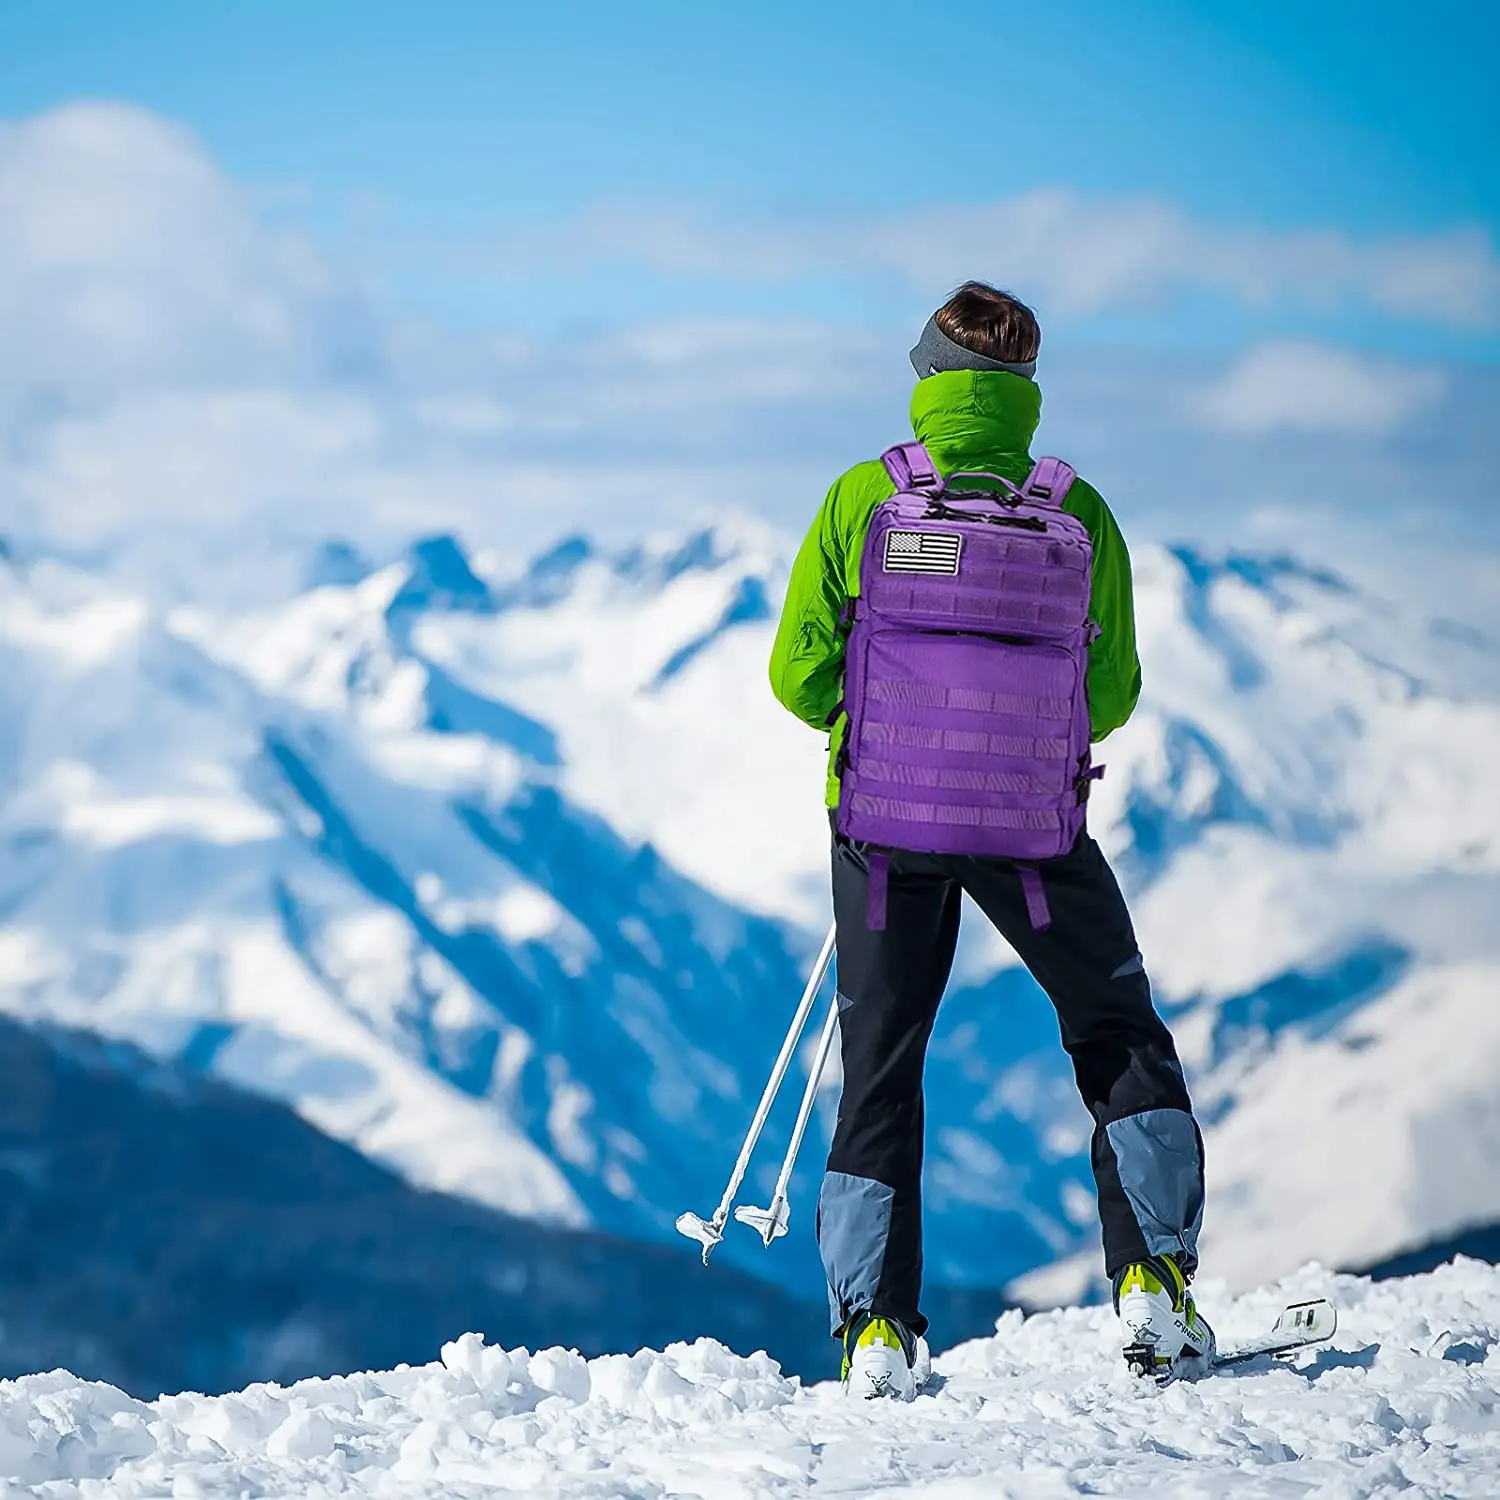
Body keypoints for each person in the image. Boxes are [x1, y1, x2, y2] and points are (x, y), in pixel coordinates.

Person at [767, 282, 1212, 1398]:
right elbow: (1107, 692)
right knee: (1113, 1028)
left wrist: (890, 720)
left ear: (926, 376)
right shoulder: (1078, 508)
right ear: (1026, 388)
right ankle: (1153, 1279)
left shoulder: (865, 497)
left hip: (884, 831)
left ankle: (874, 1330)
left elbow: (796, 674)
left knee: (882, 1064)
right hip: (1031, 829)